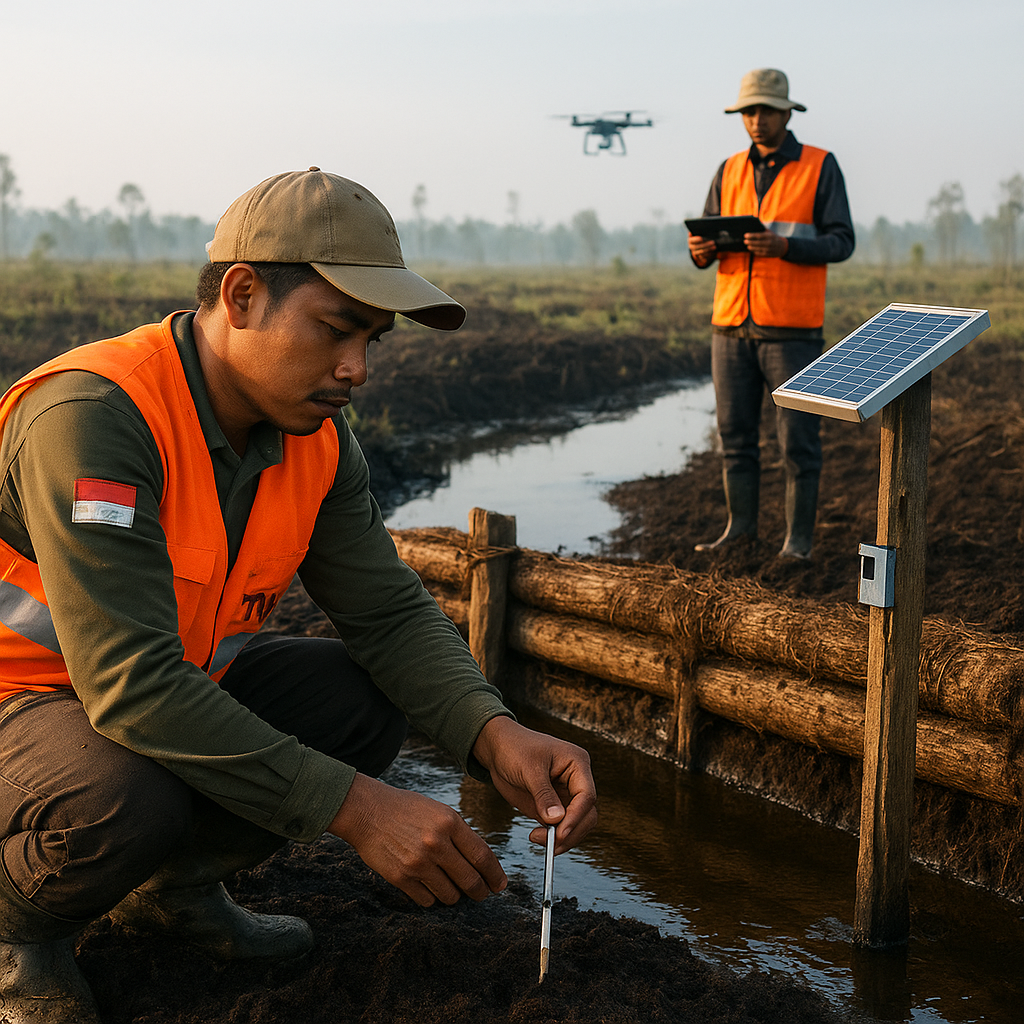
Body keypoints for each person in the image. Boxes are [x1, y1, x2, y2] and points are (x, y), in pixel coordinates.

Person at [0, 168, 598, 1023]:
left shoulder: (313, 436)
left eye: (372, 342)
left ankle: (168, 889)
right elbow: (131, 684)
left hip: (130, 704)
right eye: (334, 331)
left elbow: (386, 612)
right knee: (126, 791)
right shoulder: (96, 415)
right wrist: (356, 810)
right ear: (241, 296)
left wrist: (492, 732)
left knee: (358, 702)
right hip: (22, 710)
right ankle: (15, 936)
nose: (356, 369)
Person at [688, 68, 854, 559]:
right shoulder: (729, 169)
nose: (756, 120)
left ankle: (797, 543)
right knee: (734, 437)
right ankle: (739, 530)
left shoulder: (821, 166)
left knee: (798, 443)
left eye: (765, 111)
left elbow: (842, 241)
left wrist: (784, 245)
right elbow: (703, 249)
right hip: (730, 326)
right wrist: (701, 249)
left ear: (787, 112)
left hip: (792, 331)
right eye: (748, 112)